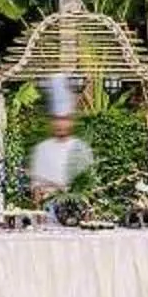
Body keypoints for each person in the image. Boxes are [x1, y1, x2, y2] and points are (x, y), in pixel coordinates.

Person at [26, 76, 95, 204]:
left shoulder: (81, 148)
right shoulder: (42, 149)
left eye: (65, 119)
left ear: (71, 121)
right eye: (56, 119)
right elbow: (36, 188)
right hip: (48, 209)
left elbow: (89, 186)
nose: (60, 124)